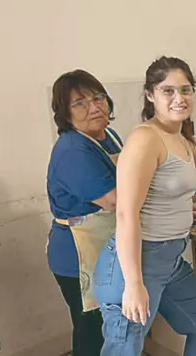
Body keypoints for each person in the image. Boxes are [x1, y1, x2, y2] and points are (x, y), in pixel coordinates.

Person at [94, 56, 196, 356]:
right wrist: (133, 284)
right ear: (150, 95)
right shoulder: (145, 139)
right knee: (126, 348)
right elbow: (126, 213)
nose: (179, 98)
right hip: (137, 262)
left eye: (185, 90)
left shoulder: (179, 136)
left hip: (169, 260)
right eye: (168, 91)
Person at [46, 69, 122, 356]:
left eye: (98, 97)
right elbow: (115, 200)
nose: (94, 107)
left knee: (110, 327)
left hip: (106, 245)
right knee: (92, 332)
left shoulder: (109, 136)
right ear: (65, 113)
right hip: (79, 256)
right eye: (80, 103)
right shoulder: (72, 150)